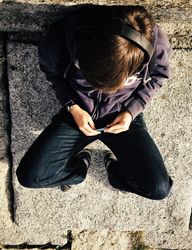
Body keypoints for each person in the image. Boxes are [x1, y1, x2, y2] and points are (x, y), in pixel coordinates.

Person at [16, 5, 173, 200]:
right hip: (78, 112)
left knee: (158, 189)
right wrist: (72, 106)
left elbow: (159, 77)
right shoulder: (61, 40)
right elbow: (53, 73)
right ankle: (78, 169)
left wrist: (131, 112)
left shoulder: (155, 45)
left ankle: (116, 172)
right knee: (29, 177)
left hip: (122, 114)